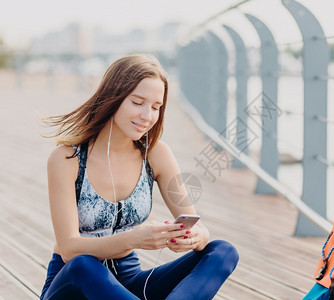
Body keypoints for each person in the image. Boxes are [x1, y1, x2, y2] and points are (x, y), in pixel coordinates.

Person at [40, 54, 239, 300]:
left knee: (222, 251)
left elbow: (194, 223)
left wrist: (196, 236)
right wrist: (132, 239)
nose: (148, 116)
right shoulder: (66, 159)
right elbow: (69, 249)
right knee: (83, 264)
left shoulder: (157, 155)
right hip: (75, 285)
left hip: (129, 285)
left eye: (156, 107)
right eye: (137, 102)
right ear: (112, 97)